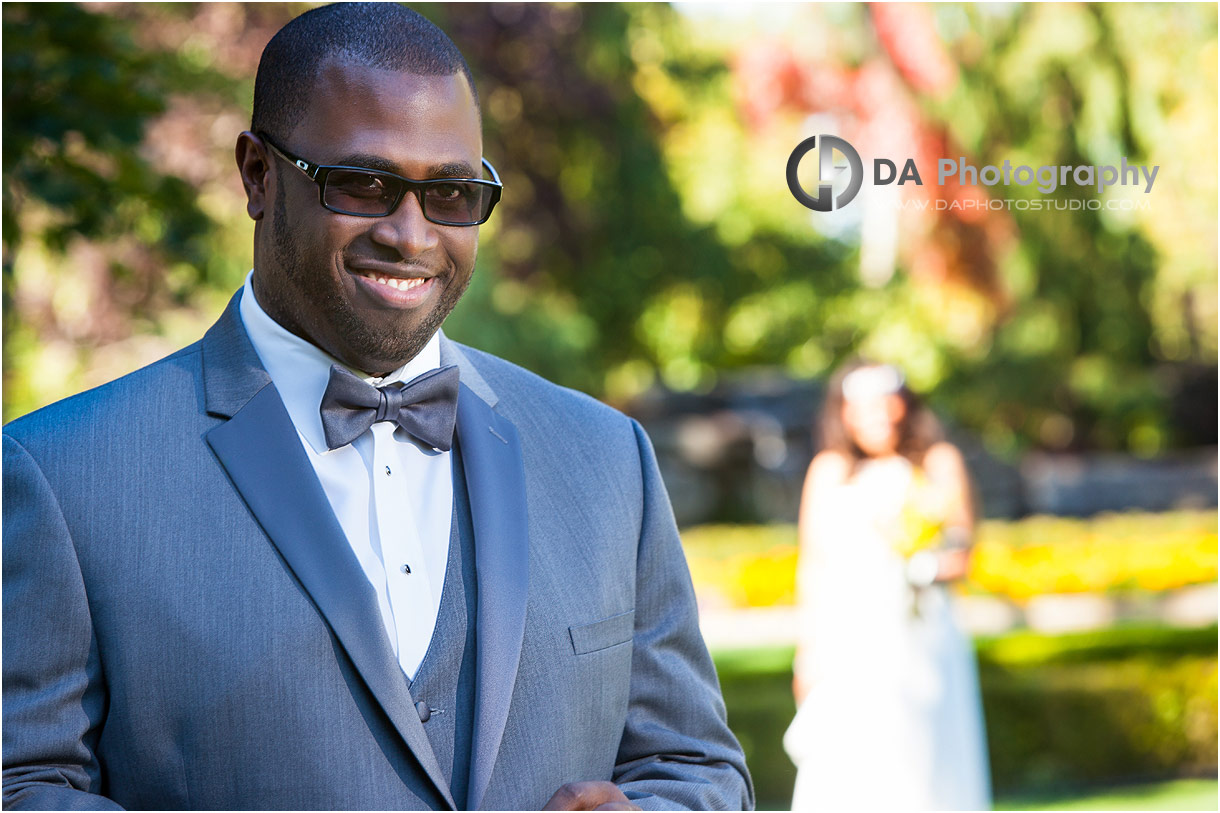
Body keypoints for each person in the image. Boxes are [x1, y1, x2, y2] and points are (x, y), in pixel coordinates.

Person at [1, 5, 752, 811]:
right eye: (363, 184)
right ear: (258, 175)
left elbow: (698, 768)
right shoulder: (65, 474)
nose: (411, 235)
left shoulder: (607, 458)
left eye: (453, 194)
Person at [782, 360, 990, 811]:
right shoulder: (830, 470)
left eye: (884, 405)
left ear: (903, 406)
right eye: (861, 407)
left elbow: (963, 553)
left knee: (927, 754)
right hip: (851, 639)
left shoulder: (939, 463)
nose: (874, 417)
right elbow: (813, 565)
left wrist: (915, 569)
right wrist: (809, 651)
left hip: (922, 633)